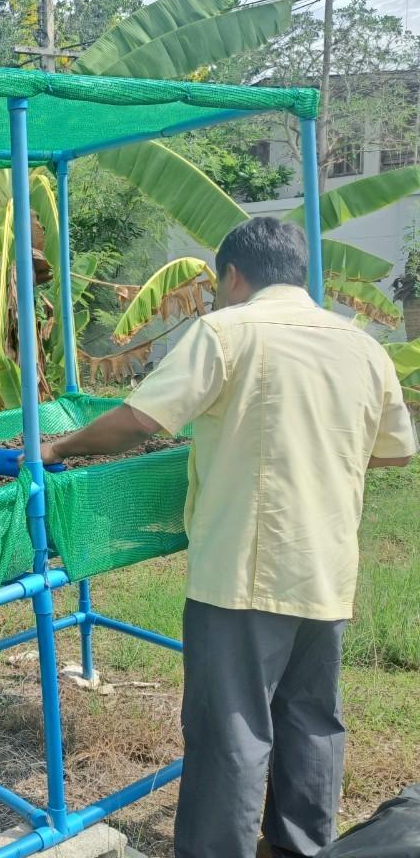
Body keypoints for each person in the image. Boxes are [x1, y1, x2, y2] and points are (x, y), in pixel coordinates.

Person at [37, 218, 415, 858]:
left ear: (233, 276)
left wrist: (57, 445)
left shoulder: (226, 332)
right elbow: (395, 452)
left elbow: (139, 420)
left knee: (232, 732)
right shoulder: (360, 346)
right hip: (327, 568)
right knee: (312, 720)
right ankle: (298, 848)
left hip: (243, 571)